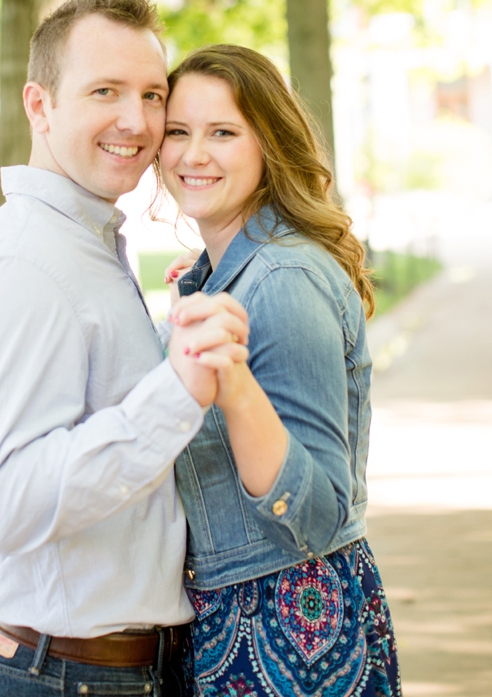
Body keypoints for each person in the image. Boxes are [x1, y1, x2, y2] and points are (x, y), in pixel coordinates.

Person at [0, 0, 251, 697]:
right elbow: (6, 504)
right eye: (104, 91)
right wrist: (176, 393)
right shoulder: (26, 264)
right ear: (40, 106)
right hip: (64, 675)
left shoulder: (87, 246)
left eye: (151, 94)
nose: (136, 121)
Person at [158, 45, 400, 695]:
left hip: (293, 633)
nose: (192, 154)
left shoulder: (284, 278)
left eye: (222, 133)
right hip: (236, 621)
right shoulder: (231, 276)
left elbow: (317, 513)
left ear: (268, 144)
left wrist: (231, 380)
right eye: (177, 132)